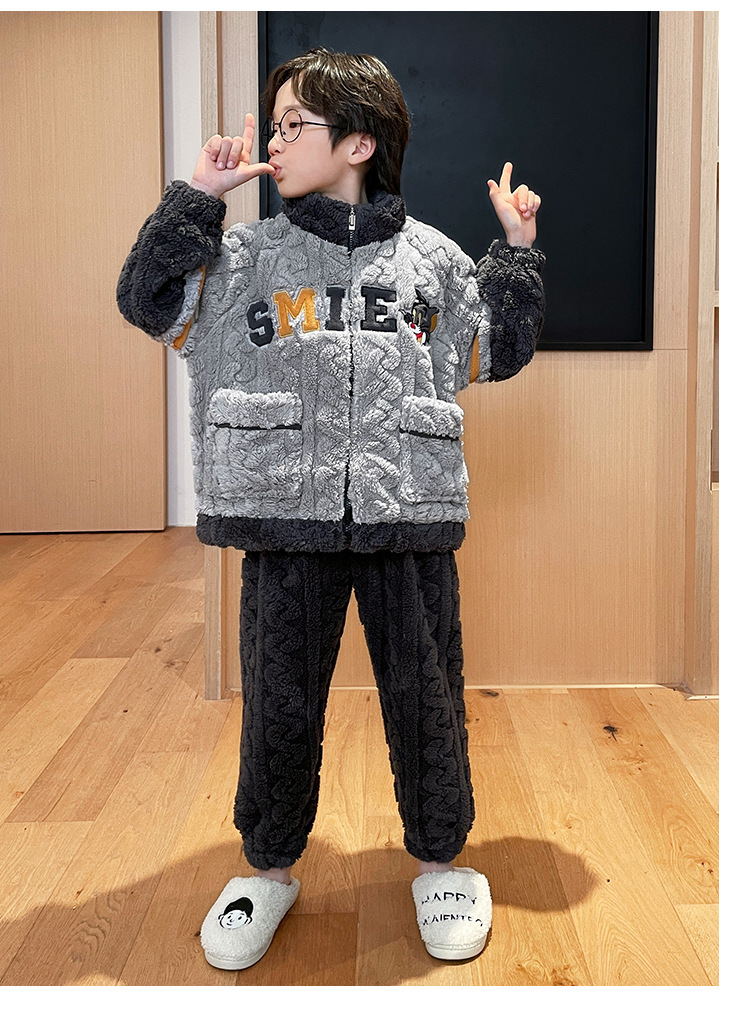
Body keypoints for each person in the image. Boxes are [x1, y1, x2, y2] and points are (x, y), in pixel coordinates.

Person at [117, 47, 545, 972]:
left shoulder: (432, 260)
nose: (272, 142)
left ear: (359, 142)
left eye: (291, 125)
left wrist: (515, 251)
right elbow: (146, 300)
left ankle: (441, 863)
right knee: (278, 702)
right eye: (273, 124)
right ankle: (268, 868)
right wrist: (197, 198)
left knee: (427, 697)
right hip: (283, 517)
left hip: (406, 514)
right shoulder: (241, 259)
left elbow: (497, 351)